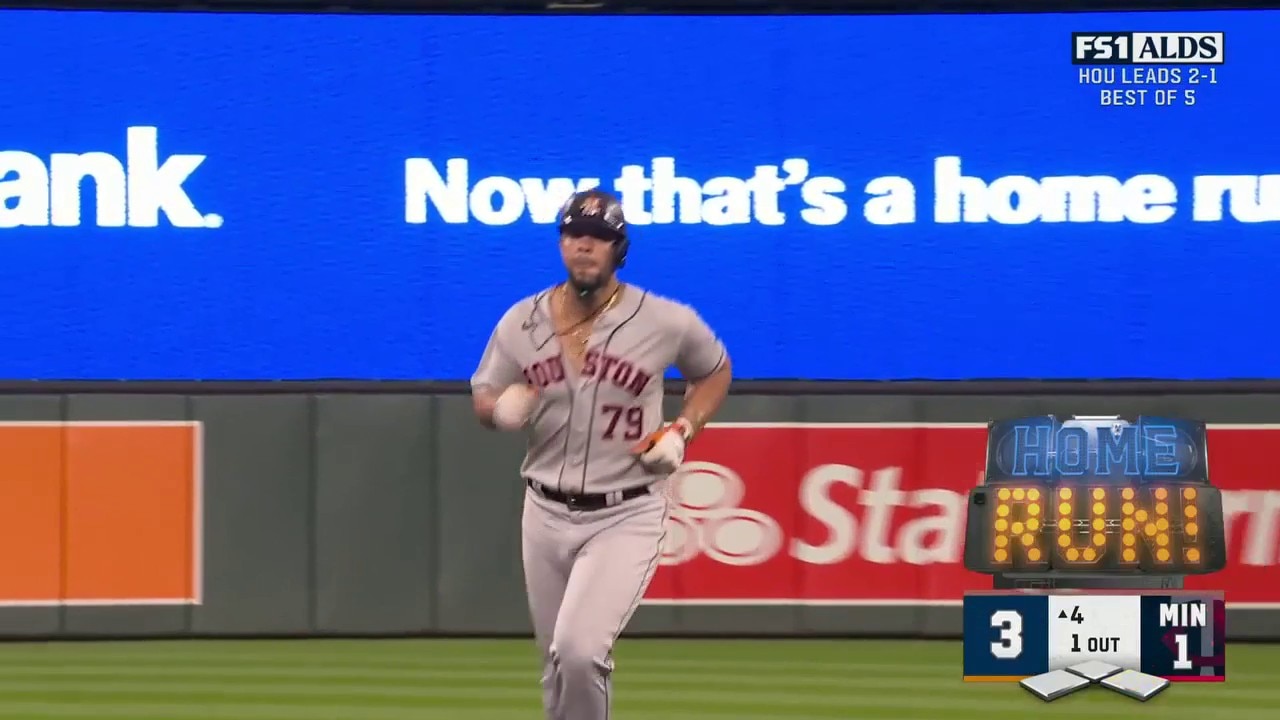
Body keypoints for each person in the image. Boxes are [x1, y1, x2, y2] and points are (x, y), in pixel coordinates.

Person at [470, 188, 732, 720]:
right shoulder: (522, 321)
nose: (584, 247)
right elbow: (484, 392)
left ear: (619, 249)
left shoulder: (664, 320)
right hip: (543, 510)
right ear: (561, 243)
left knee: (581, 651)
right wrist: (499, 412)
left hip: (626, 511)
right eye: (574, 235)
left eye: (599, 238)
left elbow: (715, 370)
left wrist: (683, 428)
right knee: (554, 663)